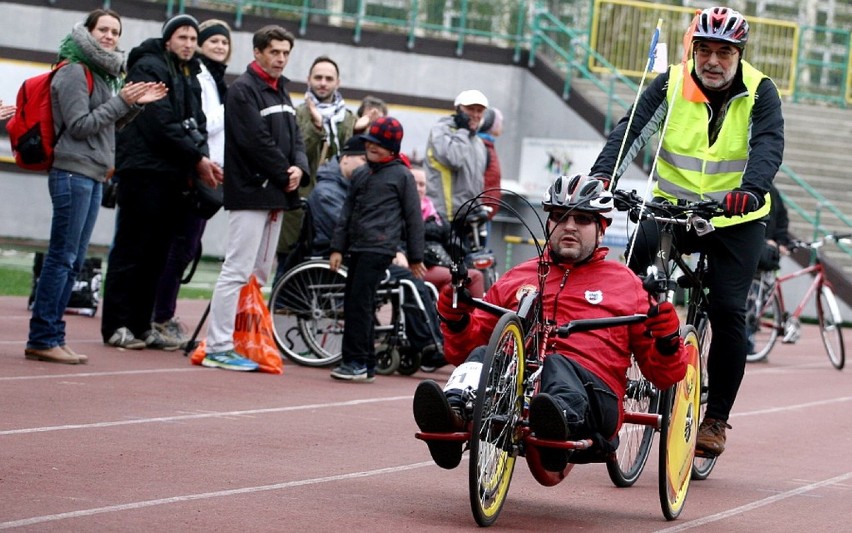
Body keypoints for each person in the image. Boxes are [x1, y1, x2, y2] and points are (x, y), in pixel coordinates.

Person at [589, 6, 784, 456]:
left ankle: (715, 419)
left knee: (729, 310)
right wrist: (604, 176)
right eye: (704, 50)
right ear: (692, 49)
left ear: (739, 54)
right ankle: (606, 381)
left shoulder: (761, 92)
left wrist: (751, 190)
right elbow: (631, 129)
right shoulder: (671, 83)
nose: (712, 61)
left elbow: (768, 144)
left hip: (735, 218)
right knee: (626, 288)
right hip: (671, 210)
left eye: (723, 52)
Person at [413, 175, 688, 471]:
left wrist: (668, 339)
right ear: (548, 223)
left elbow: (663, 376)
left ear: (601, 230)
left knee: (558, 363)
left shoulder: (628, 285)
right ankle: (451, 415)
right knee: (482, 356)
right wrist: (456, 321)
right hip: (517, 389)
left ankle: (559, 422)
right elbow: (465, 349)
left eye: (582, 219)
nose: (569, 226)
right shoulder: (517, 276)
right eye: (560, 217)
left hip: (594, 400)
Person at [25, 9, 167, 364]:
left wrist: (131, 107)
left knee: (72, 261)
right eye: (102, 29)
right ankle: (43, 336)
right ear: (87, 32)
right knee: (63, 257)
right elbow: (79, 126)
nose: (109, 36)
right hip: (71, 172)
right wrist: (122, 101)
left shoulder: (101, 74)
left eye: (115, 31)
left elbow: (105, 128)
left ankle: (53, 335)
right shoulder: (74, 70)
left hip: (91, 173)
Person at [101, 13, 222, 351]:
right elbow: (160, 122)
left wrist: (197, 155)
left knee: (157, 253)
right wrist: (197, 158)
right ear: (168, 39)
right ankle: (116, 325)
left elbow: (195, 120)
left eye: (192, 39)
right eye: (182, 37)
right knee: (131, 250)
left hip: (173, 174)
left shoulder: (190, 73)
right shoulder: (149, 67)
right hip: (143, 172)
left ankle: (142, 325)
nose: (188, 44)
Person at [202, 24, 309, 371]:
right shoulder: (243, 90)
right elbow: (254, 140)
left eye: (285, 53)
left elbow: (295, 138)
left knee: (258, 275)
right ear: (258, 53)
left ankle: (243, 340)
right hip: (250, 193)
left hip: (277, 194)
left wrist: (299, 170)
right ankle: (218, 345)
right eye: (274, 52)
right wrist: (284, 172)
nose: (280, 59)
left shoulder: (282, 91)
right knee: (236, 271)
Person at [150, 18, 232, 348]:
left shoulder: (216, 79)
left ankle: (161, 314)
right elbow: (200, 123)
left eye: (224, 43)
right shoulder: (197, 75)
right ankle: (160, 315)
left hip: (212, 171)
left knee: (186, 246)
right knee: (179, 246)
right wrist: (229, 112)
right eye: (212, 41)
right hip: (196, 170)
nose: (219, 47)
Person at [328, 117, 425, 382]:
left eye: (380, 145)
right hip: (357, 247)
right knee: (355, 303)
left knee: (360, 303)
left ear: (392, 149)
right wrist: (337, 247)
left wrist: (416, 256)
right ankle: (364, 363)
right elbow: (346, 213)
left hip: (379, 248)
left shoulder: (402, 175)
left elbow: (413, 217)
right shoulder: (361, 173)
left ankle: (357, 361)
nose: (373, 148)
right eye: (370, 142)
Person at [275, 55, 356, 281]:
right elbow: (293, 153)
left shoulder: (348, 118)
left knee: (326, 262)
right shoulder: (296, 113)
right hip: (300, 201)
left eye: (328, 78)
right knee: (290, 259)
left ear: (337, 83)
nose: (323, 83)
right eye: (318, 77)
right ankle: (278, 307)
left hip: (334, 204)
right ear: (308, 80)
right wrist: (317, 127)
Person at [412, 166, 485, 300]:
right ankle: (447, 317)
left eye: (421, 184)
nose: (418, 188)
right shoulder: (402, 211)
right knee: (469, 277)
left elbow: (450, 236)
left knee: (474, 274)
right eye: (413, 183)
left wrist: (458, 249)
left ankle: (473, 318)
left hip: (440, 262)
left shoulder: (434, 213)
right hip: (419, 265)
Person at [424, 89, 489, 221]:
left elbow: (477, 182)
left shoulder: (477, 142)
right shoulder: (441, 131)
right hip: (442, 216)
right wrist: (463, 130)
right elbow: (454, 159)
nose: (475, 115)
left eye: (480, 111)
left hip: (468, 216)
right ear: (458, 109)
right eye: (470, 109)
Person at [476, 107, 504, 219]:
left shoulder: (488, 145)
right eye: (500, 122)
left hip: (486, 211)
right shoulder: (482, 146)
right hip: (480, 212)